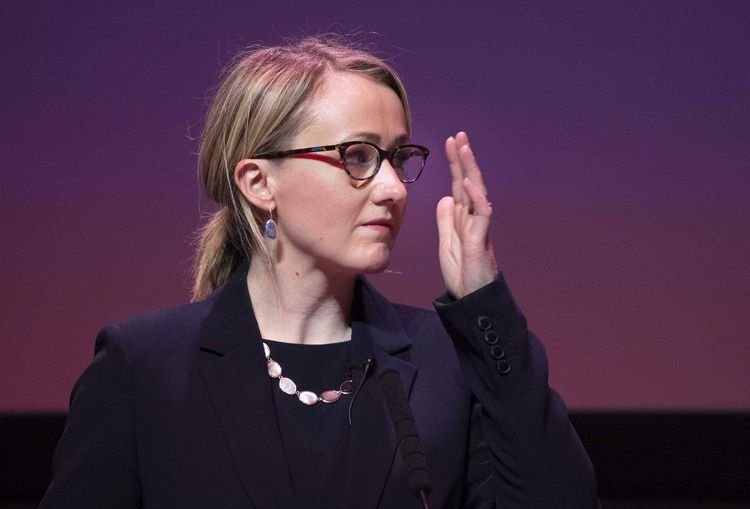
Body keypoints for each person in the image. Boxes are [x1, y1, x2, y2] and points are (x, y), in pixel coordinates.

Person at [40, 36, 598, 508]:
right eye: (358, 156)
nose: (393, 188)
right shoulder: (146, 367)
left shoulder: (443, 361)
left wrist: (483, 301)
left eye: (398, 159)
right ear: (259, 183)